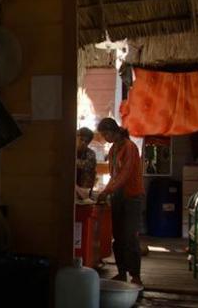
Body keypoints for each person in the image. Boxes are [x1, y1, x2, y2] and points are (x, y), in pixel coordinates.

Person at [97, 118, 145, 286]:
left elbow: (124, 175)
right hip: (117, 196)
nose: (105, 138)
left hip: (132, 197)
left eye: (106, 134)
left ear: (114, 131)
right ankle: (122, 272)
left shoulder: (129, 148)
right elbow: (113, 176)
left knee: (130, 236)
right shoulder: (113, 150)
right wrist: (107, 191)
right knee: (117, 237)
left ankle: (136, 276)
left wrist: (106, 191)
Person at [75, 127, 97, 200]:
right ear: (76, 138)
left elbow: (87, 165)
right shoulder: (69, 150)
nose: (83, 143)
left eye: (86, 141)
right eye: (81, 139)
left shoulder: (90, 153)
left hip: (84, 189)